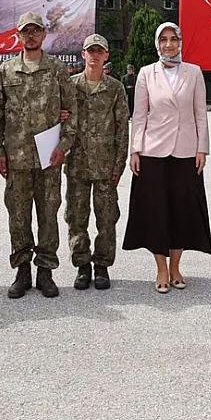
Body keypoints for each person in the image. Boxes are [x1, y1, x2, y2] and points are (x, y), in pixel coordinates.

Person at [0, 11, 77, 299]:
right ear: (18, 36)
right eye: (25, 31)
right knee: (18, 215)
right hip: (16, 157)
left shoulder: (56, 69)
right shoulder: (5, 71)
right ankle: (22, 270)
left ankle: (46, 270)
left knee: (48, 214)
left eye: (35, 31)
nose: (30, 36)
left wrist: (63, 146)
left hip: (48, 156)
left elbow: (72, 112)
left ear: (43, 34)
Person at [123, 22, 211, 293]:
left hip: (185, 151)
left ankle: (176, 266)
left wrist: (202, 149)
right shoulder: (146, 73)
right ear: (157, 44)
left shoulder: (194, 72)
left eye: (173, 39)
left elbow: (200, 113)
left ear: (180, 42)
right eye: (163, 40)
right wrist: (134, 150)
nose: (169, 44)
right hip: (153, 152)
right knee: (156, 211)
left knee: (181, 211)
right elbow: (138, 115)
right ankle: (161, 267)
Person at [65, 34, 129, 290]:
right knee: (76, 217)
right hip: (77, 164)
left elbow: (122, 128)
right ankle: (82, 265)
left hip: (105, 165)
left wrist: (119, 165)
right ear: (83, 55)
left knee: (107, 218)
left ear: (106, 56)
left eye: (99, 51)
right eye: (90, 51)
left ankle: (102, 265)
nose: (94, 55)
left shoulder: (114, 88)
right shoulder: (70, 86)